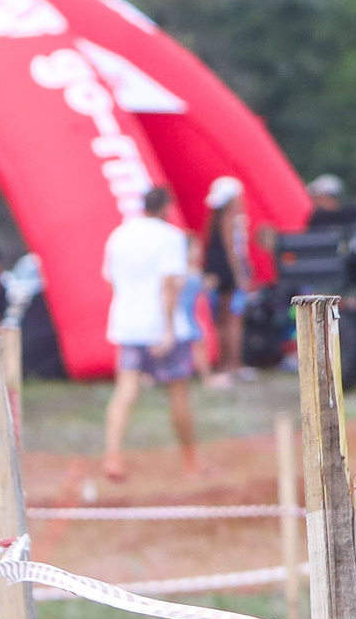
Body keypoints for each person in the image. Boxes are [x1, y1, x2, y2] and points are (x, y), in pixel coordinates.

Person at [100, 185, 198, 482]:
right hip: (162, 328)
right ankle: (190, 461)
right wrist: (167, 329)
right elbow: (169, 283)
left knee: (125, 392)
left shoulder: (119, 235)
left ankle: (113, 456)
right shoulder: (171, 237)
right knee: (178, 394)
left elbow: (111, 279)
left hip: (129, 326)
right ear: (166, 206)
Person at [199, 177, 252, 386]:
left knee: (224, 320)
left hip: (222, 272)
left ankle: (228, 363)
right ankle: (232, 363)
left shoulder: (217, 219)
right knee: (232, 320)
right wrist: (241, 276)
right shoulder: (230, 219)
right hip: (229, 273)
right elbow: (232, 251)